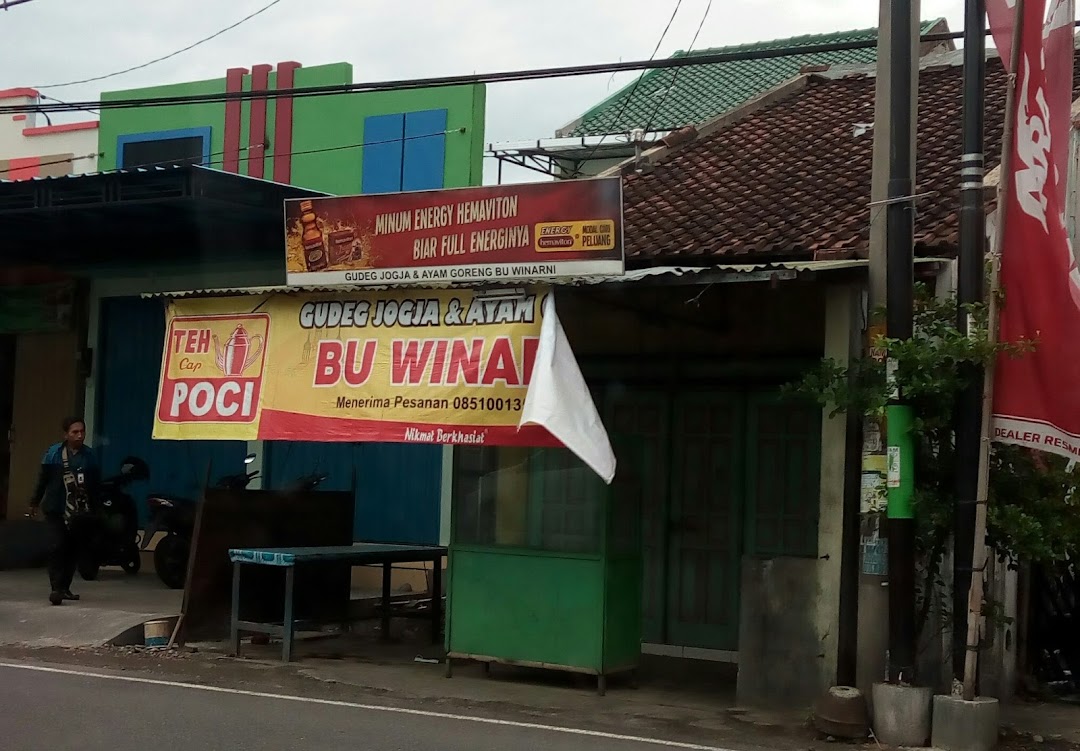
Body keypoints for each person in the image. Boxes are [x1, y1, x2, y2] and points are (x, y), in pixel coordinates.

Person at [28, 417, 99, 606]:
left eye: (82, 431)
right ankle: (56, 588)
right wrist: (34, 502)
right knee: (57, 545)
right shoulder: (53, 454)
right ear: (66, 434)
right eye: (75, 432)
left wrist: (94, 510)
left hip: (78, 513)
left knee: (72, 549)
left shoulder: (89, 456)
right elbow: (43, 480)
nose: (80, 435)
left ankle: (65, 588)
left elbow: (95, 486)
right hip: (56, 508)